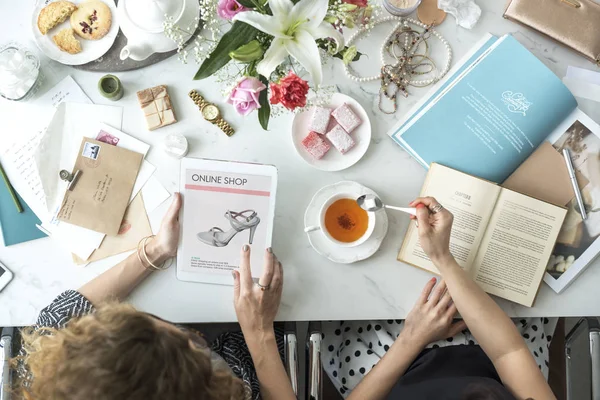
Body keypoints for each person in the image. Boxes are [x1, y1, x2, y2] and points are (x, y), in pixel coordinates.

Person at [14, 193, 297, 400]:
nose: (187, 332)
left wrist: (156, 251)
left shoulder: (56, 375)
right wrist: (260, 334)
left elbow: (61, 317)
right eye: (193, 343)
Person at [323, 197, 557, 400]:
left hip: (391, 366)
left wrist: (413, 338)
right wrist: (442, 256)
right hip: (499, 363)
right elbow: (509, 352)